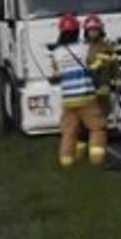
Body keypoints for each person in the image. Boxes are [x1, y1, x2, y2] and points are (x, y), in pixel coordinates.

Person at [48, 13, 107, 168]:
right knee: (97, 129)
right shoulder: (85, 49)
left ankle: (66, 163)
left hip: (68, 99)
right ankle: (97, 161)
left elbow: (55, 76)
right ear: (77, 31)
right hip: (87, 97)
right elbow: (96, 66)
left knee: (68, 132)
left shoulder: (56, 53)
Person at [83, 14, 121, 121]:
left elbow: (115, 67)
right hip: (88, 88)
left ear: (101, 31)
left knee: (104, 115)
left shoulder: (107, 47)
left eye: (96, 30)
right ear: (86, 32)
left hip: (104, 86)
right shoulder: (83, 47)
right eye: (90, 30)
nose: (93, 33)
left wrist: (118, 83)